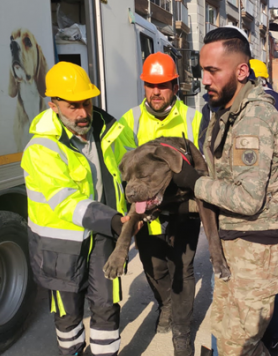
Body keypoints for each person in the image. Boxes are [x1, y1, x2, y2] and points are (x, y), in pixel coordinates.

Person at [172, 27, 278, 356]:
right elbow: (221, 178)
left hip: (255, 249)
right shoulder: (224, 113)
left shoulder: (253, 118)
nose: (205, 80)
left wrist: (192, 182)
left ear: (241, 71)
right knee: (227, 338)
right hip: (233, 243)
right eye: (202, 71)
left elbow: (248, 200)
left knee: (236, 346)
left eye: (213, 71)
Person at [21, 62, 135, 356]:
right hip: (62, 245)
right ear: (53, 104)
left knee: (106, 307)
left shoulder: (110, 130)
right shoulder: (41, 148)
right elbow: (64, 200)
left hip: (103, 238)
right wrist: (113, 220)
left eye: (87, 103)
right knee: (68, 316)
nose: (83, 113)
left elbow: (133, 167)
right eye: (73, 106)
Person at [118, 52, 203, 356]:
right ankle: (165, 303)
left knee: (183, 268)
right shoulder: (130, 121)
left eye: (163, 85)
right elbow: (123, 172)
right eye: (151, 85)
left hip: (184, 210)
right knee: (153, 266)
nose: (156, 92)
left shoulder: (194, 118)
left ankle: (182, 336)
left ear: (175, 86)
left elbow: (204, 166)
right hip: (147, 210)